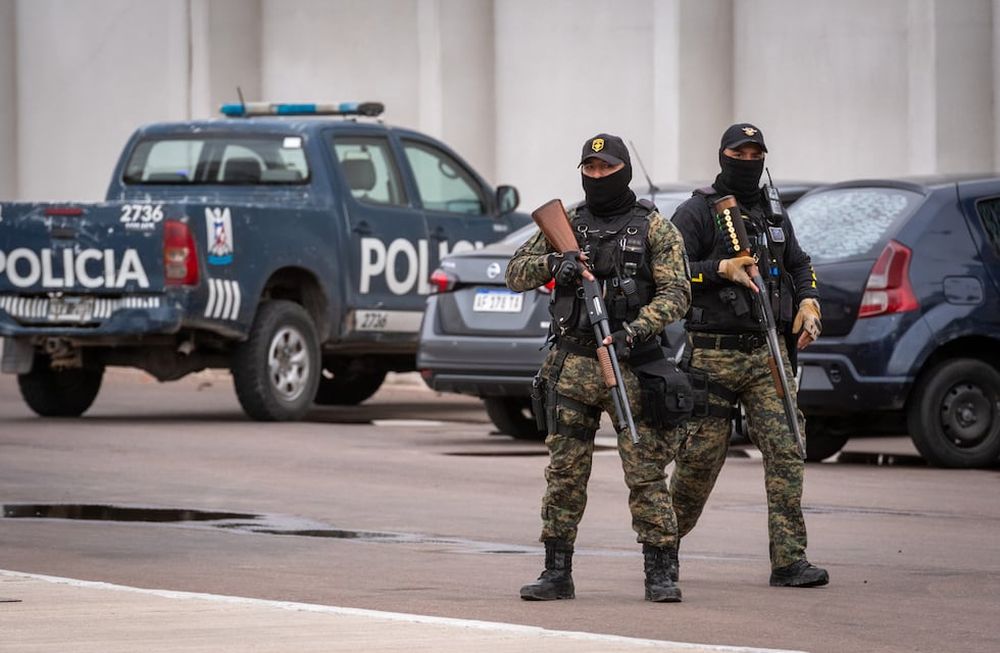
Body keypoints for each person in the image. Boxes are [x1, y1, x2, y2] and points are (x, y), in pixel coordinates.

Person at [506, 133, 691, 602]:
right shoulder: (567, 221)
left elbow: (677, 294)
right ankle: (556, 571)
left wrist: (637, 329)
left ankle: (661, 571)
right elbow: (514, 272)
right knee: (564, 472)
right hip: (571, 363)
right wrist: (555, 264)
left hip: (629, 363)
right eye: (590, 170)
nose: (598, 177)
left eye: (606, 169)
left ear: (623, 170)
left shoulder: (654, 227)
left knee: (645, 470)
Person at [669, 123, 828, 587]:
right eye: (739, 152)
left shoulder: (774, 214)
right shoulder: (699, 212)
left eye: (756, 151)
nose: (748, 159)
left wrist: (808, 302)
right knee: (699, 461)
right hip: (712, 356)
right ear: (723, 156)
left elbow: (799, 263)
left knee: (786, 451)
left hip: (768, 354)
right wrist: (719, 269)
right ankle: (662, 549)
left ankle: (789, 560)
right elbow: (671, 272)